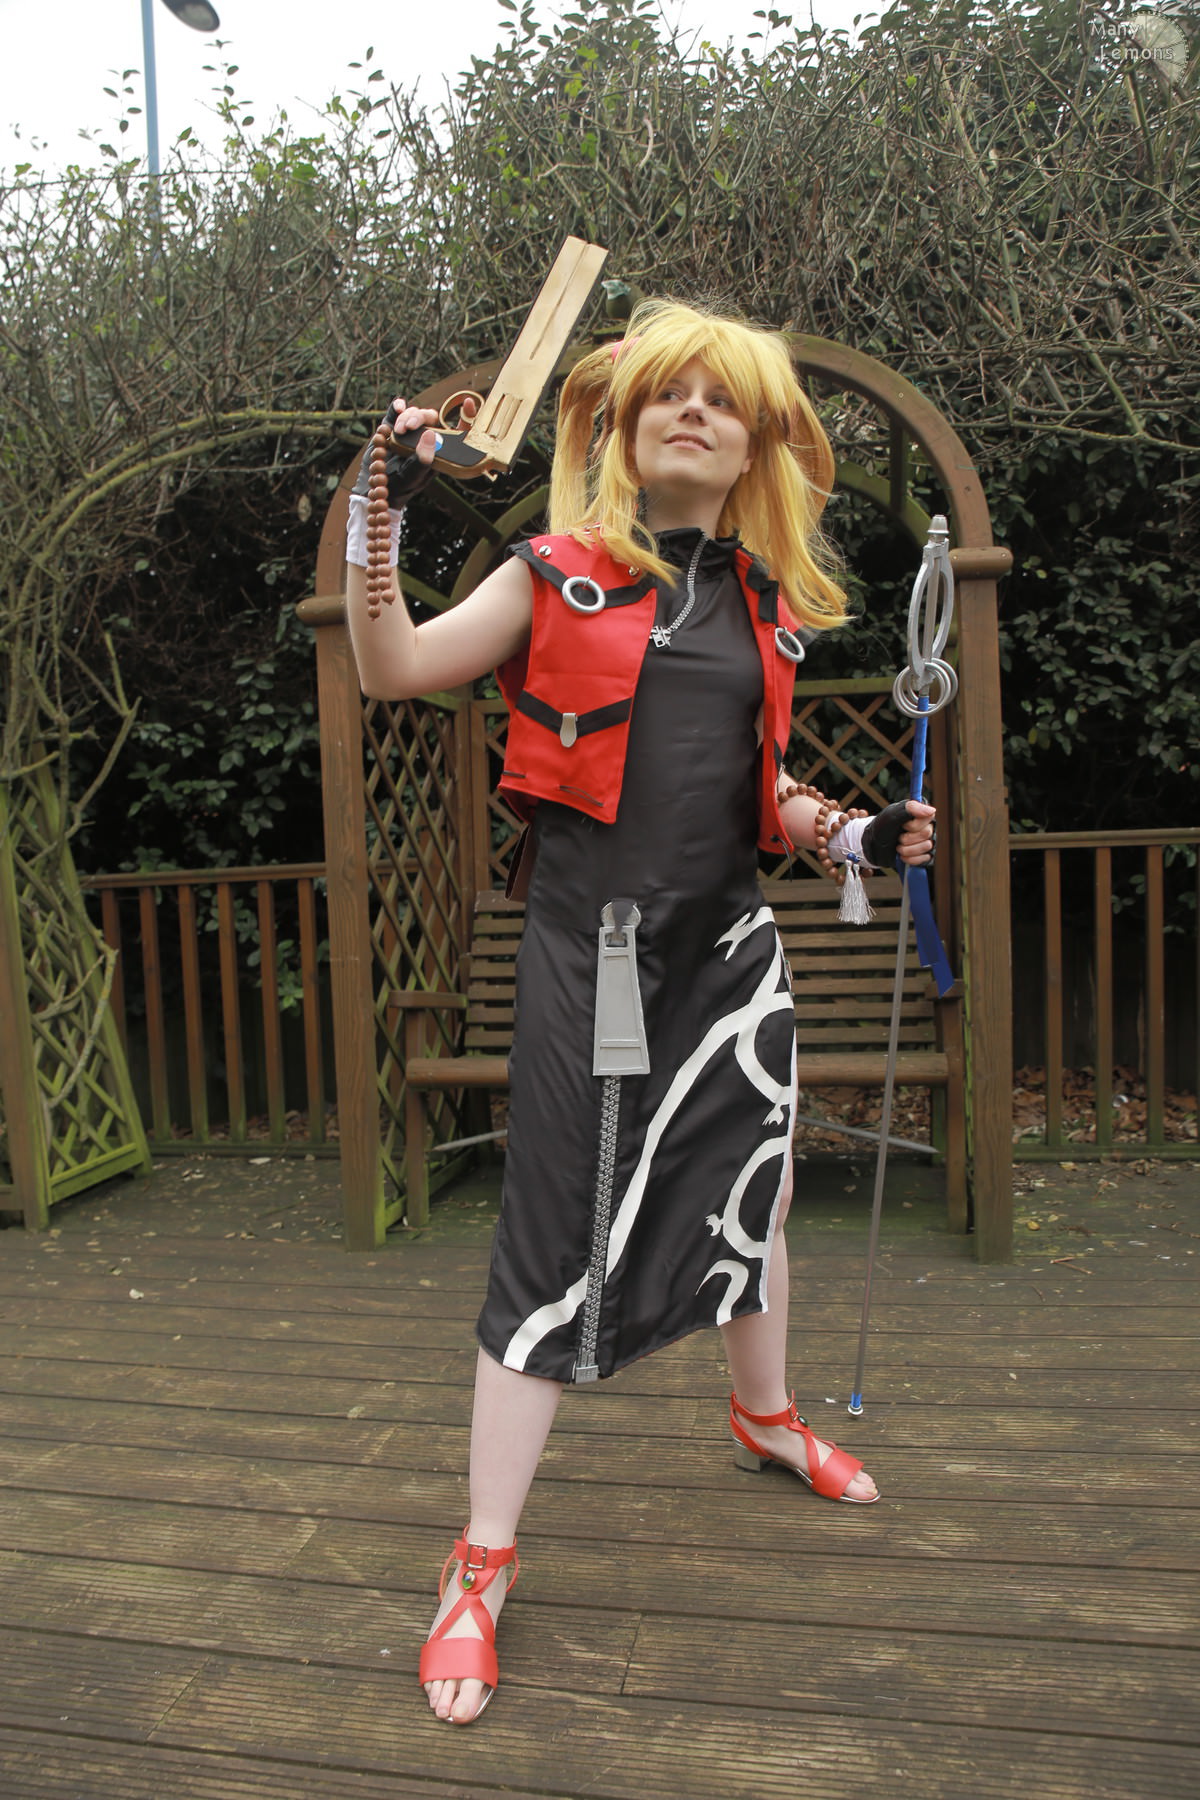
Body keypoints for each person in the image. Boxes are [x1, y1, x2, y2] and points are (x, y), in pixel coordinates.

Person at [344, 299, 935, 1726]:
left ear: (754, 446)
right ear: (622, 428)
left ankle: (764, 1415)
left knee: (757, 1183)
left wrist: (849, 834)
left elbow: (755, 788)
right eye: (667, 393)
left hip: (728, 953)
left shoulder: (764, 608)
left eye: (720, 401)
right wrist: (379, 506)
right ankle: (481, 1561)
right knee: (555, 1235)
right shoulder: (550, 577)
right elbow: (392, 667)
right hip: (592, 958)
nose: (692, 413)